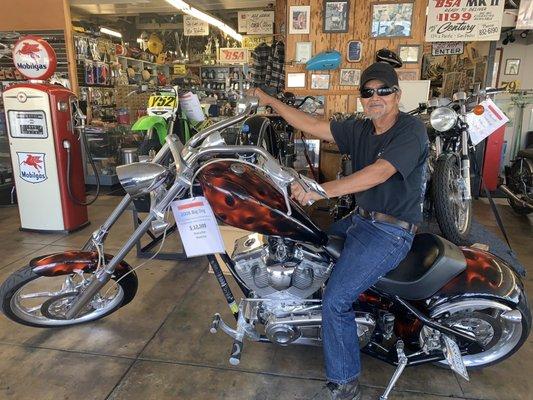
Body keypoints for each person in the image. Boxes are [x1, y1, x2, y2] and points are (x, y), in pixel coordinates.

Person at [248, 62, 428, 400]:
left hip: (390, 233)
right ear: (362, 98)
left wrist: (322, 190)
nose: (376, 98)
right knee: (303, 244)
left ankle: (345, 383)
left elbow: (379, 172)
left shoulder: (410, 129)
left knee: (336, 300)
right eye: (368, 92)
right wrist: (268, 100)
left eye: (383, 91)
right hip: (362, 220)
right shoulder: (361, 129)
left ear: (397, 95)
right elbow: (312, 124)